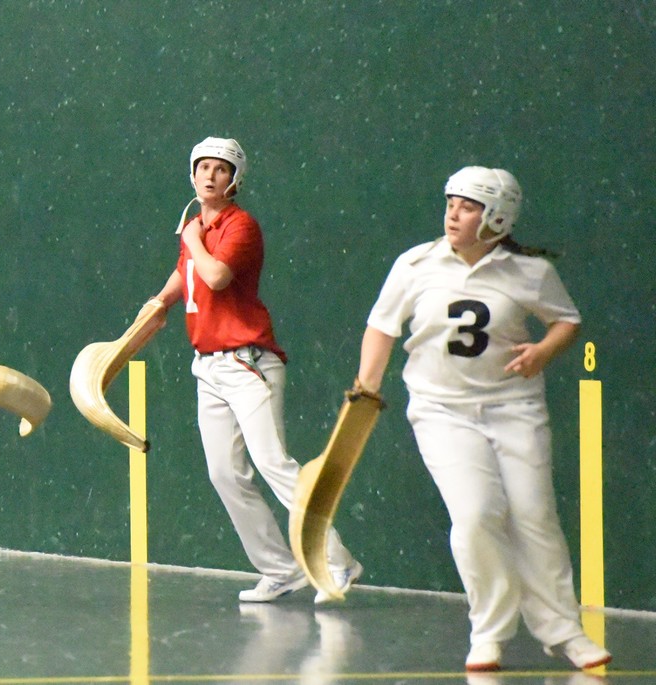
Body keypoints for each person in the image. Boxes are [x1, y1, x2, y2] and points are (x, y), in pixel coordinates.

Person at [354, 166, 610, 671]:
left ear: (496, 216)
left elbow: (567, 320)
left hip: (515, 409)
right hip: (441, 411)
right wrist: (367, 384)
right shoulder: (416, 264)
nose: (453, 213)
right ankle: (489, 632)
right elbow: (381, 327)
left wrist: (543, 352)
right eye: (451, 202)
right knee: (475, 514)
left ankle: (564, 631)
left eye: (467, 206)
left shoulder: (530, 272)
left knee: (535, 515)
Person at [138, 137, 361, 604]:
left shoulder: (241, 227)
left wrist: (193, 239)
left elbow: (216, 275)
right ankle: (280, 570)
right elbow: (189, 272)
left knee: (273, 464)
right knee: (224, 473)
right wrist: (160, 301)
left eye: (221, 169)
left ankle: (338, 563)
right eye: (203, 167)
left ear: (234, 180)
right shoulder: (195, 228)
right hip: (208, 367)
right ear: (192, 173)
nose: (210, 176)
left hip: (248, 362)